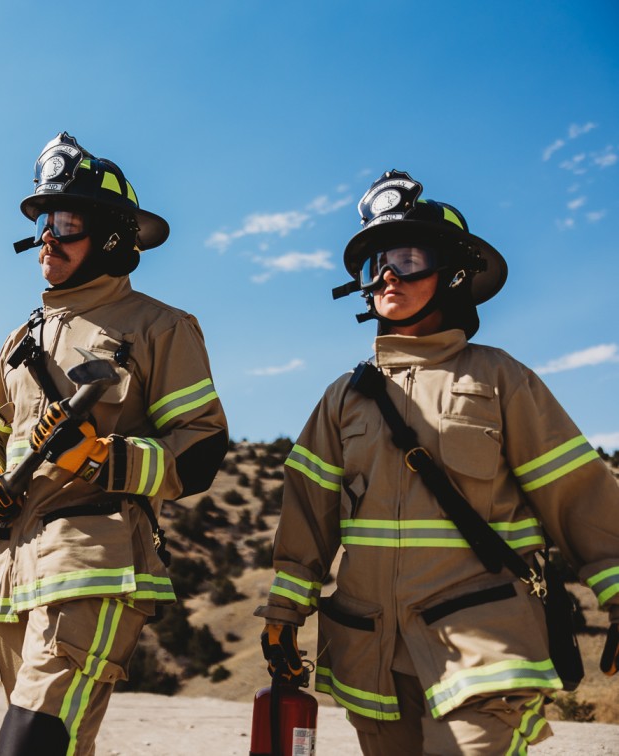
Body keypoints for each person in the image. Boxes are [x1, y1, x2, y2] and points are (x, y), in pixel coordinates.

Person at [256, 169, 619, 754]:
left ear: (452, 273)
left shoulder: (500, 378)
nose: (389, 275)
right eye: (377, 264)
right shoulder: (341, 398)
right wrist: (283, 611)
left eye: (406, 257)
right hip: (368, 647)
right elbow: (306, 519)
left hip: (483, 640)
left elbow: (577, 492)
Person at [0, 132, 228, 756]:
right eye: (45, 220)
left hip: (92, 563)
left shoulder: (161, 327)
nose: (47, 235)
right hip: (9, 576)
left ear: (110, 235)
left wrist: (105, 457)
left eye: (66, 221)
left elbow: (203, 447)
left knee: (31, 745)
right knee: (60, 747)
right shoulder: (20, 337)